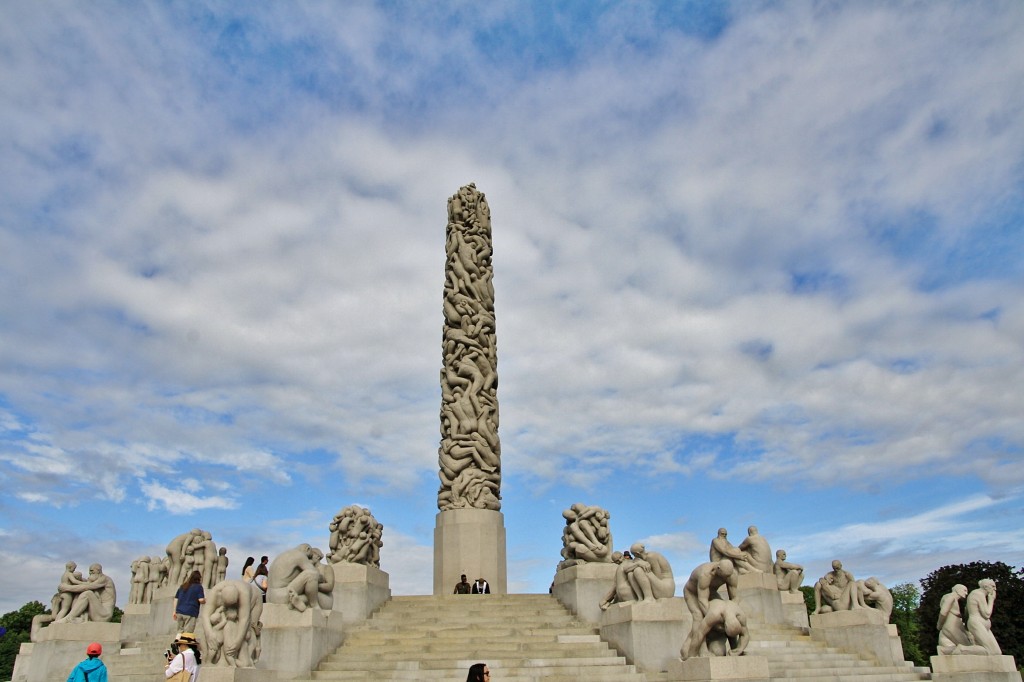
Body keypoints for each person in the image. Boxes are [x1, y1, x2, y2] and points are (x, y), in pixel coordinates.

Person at [966, 578, 1001, 654]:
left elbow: (966, 611)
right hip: (977, 623)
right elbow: (987, 614)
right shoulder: (977, 594)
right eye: (993, 586)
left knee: (997, 652)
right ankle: (962, 649)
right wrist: (991, 600)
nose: (995, 589)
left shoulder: (980, 595)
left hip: (983, 624)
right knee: (990, 651)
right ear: (985, 587)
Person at [936, 584, 971, 653]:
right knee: (968, 648)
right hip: (952, 627)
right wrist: (939, 625)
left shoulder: (953, 598)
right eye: (964, 590)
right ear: (957, 590)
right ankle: (943, 650)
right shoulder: (951, 596)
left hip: (952, 627)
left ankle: (944, 650)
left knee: (958, 649)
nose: (966, 593)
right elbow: (943, 612)